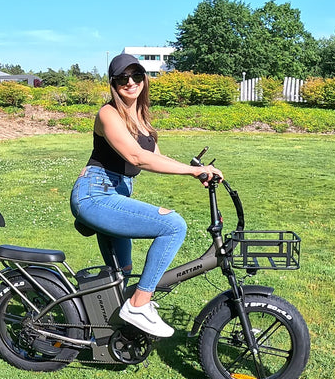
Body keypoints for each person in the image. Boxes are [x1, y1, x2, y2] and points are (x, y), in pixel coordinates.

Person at [69, 54, 222, 338]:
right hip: (96, 193)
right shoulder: (108, 113)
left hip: (117, 192)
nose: (130, 82)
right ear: (113, 83)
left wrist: (198, 171)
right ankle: (140, 304)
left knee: (121, 271)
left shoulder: (142, 118)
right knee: (173, 225)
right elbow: (136, 157)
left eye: (136, 75)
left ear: (144, 79)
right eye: (122, 78)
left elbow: (155, 157)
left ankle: (103, 334)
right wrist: (190, 172)